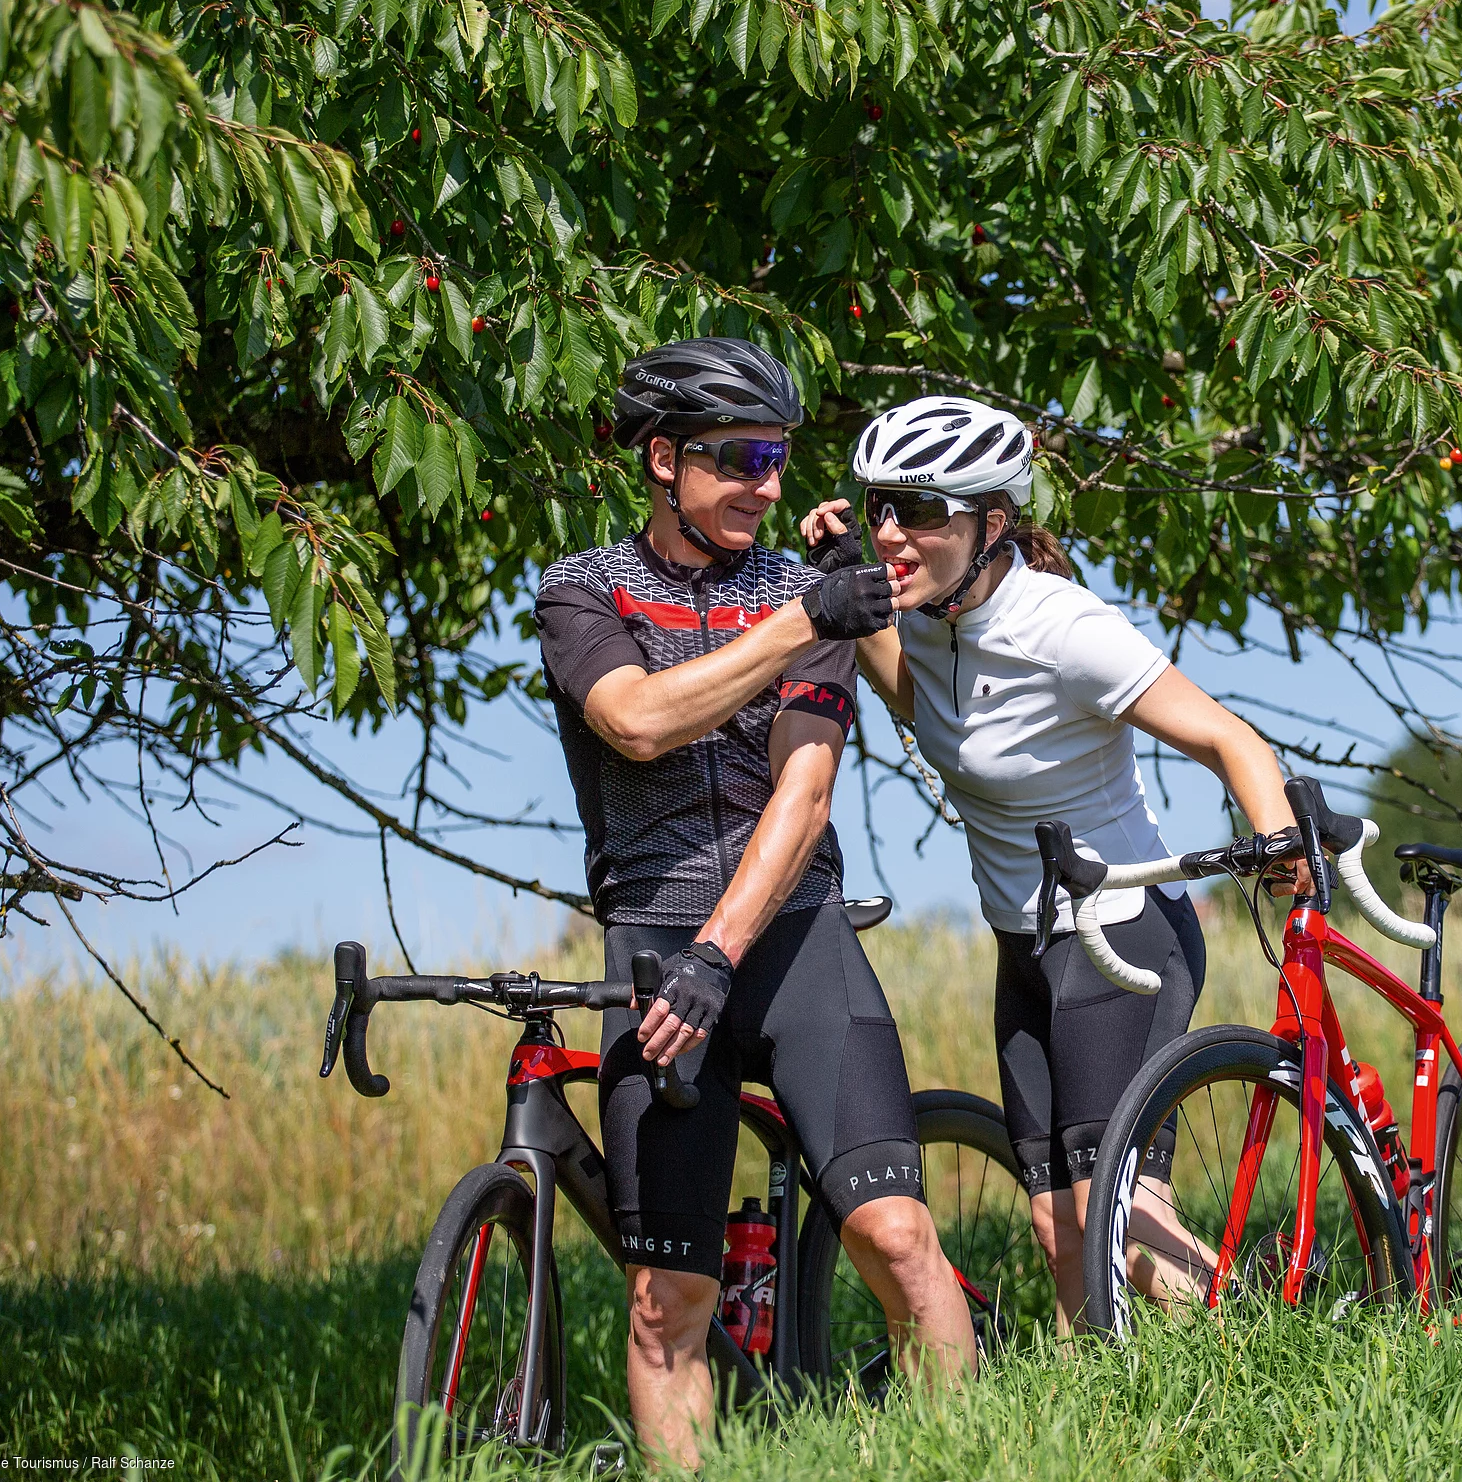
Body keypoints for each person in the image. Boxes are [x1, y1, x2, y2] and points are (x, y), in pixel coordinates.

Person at [534, 340, 973, 1467]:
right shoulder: (583, 589)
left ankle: (965, 1454)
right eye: (740, 459)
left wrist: (722, 950)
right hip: (649, 933)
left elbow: (806, 786)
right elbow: (633, 719)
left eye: (778, 458)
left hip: (786, 939)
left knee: (895, 1232)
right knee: (666, 1299)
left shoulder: (795, 588)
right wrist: (807, 620)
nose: (769, 486)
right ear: (664, 461)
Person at [800, 395, 1308, 1329]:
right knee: (1056, 1226)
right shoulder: (923, 615)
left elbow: (1232, 740)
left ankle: (1283, 1347)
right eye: (877, 507)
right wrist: (837, 576)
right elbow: (924, 704)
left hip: (1122, 937)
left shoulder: (1064, 627)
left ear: (992, 522)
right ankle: (1096, 1420)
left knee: (1115, 1219)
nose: (889, 534)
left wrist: (1278, 846)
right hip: (1025, 944)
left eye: (918, 512)